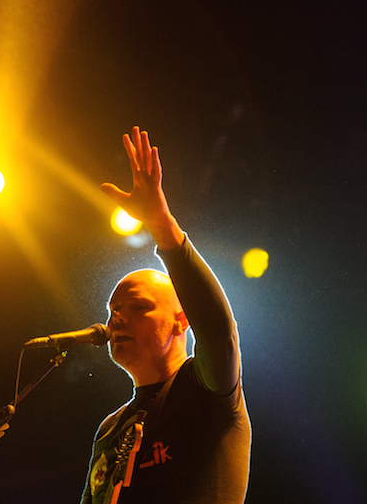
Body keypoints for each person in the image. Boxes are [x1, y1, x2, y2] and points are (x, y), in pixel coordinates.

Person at [80, 127, 251, 504]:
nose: (117, 320)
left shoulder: (205, 389)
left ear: (181, 320)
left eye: (138, 307)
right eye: (113, 311)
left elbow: (219, 331)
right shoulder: (111, 428)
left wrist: (162, 227)